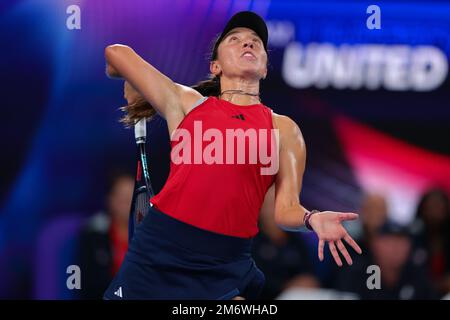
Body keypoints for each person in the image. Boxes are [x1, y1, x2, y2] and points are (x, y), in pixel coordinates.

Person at [103, 11, 362, 300]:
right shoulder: (187, 104)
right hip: (159, 251)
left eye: (255, 42)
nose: (247, 44)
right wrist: (124, 74)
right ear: (215, 65)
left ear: (265, 68)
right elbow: (116, 52)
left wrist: (311, 218)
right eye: (235, 40)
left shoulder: (284, 129)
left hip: (223, 264)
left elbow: (285, 209)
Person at [77, 171, 134, 299]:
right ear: (110, 199)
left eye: (132, 197)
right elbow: (86, 284)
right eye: (123, 199)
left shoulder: (148, 234)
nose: (128, 204)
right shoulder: (93, 235)